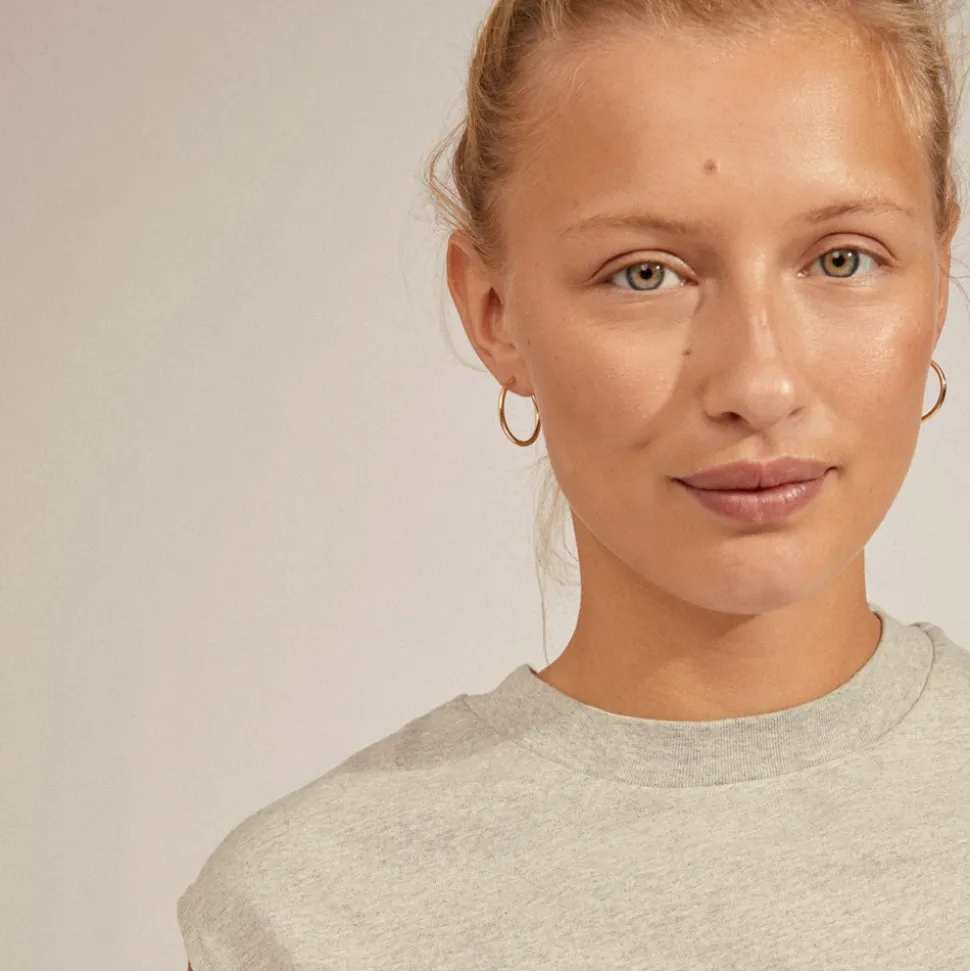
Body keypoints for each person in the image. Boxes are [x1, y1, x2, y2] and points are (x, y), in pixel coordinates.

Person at [177, 1, 970, 967]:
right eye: (645, 274)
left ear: (938, 277)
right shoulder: (307, 916)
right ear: (494, 313)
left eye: (843, 258)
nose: (760, 383)